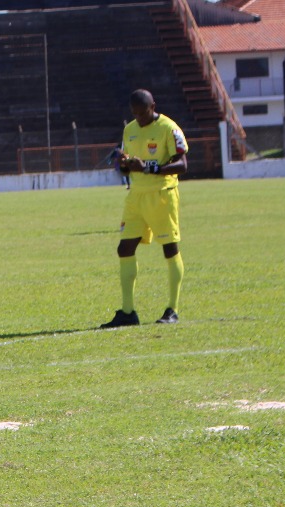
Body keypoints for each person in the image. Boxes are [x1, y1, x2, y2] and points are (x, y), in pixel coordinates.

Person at [101, 89, 188, 328]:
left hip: (161, 195)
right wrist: (124, 165)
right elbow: (130, 167)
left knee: (170, 249)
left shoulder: (169, 128)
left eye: (143, 113)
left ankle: (173, 309)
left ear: (153, 107)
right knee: (124, 248)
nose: (139, 118)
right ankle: (128, 312)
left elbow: (182, 164)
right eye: (135, 114)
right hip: (136, 196)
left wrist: (150, 169)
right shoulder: (129, 130)